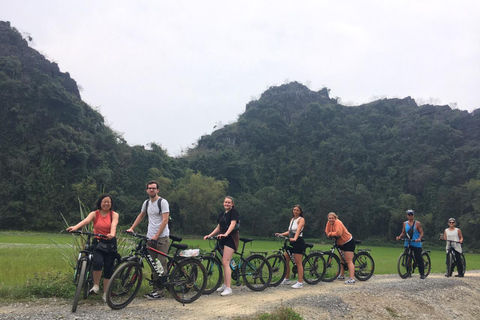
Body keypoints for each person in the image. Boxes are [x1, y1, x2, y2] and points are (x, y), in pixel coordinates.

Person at [66, 194, 119, 302]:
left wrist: (112, 234)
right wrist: (75, 227)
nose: (106, 204)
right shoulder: (95, 214)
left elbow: (114, 225)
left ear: (111, 204)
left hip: (110, 243)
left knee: (109, 268)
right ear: (100, 203)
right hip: (98, 242)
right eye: (104, 201)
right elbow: (85, 221)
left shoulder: (114, 214)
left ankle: (106, 293)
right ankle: (95, 286)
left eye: (108, 202)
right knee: (97, 262)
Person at [126, 181, 170, 300]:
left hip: (162, 237)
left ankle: (161, 291)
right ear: (146, 190)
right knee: (153, 263)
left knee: (160, 263)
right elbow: (141, 216)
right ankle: (156, 288)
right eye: (149, 188)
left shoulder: (163, 202)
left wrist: (156, 235)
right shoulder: (146, 203)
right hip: (150, 237)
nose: (151, 190)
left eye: (154, 188)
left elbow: (165, 220)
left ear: (158, 190)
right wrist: (132, 228)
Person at [204, 196, 240, 296]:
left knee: (225, 262)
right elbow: (219, 227)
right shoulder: (222, 214)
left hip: (231, 238)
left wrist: (226, 234)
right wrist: (209, 235)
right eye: (225, 202)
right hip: (222, 238)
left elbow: (233, 224)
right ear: (223, 203)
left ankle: (228, 288)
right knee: (225, 262)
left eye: (229, 202)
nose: (227, 204)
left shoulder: (234, 212)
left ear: (232, 204)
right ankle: (224, 285)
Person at [274, 205, 306, 289]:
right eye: (294, 210)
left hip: (298, 241)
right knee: (286, 259)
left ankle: (300, 283)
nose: (295, 211)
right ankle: (286, 279)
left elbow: (298, 229)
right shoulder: (292, 220)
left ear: (300, 212)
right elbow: (290, 231)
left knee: (298, 262)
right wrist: (281, 234)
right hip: (291, 241)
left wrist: (295, 238)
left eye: (297, 210)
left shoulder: (301, 219)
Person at [325, 212, 356, 284]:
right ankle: (342, 275)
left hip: (348, 242)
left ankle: (352, 278)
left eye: (332, 218)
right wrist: (329, 233)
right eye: (329, 218)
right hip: (339, 242)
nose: (331, 220)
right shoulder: (328, 223)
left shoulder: (338, 222)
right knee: (342, 260)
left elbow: (338, 233)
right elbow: (326, 231)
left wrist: (330, 234)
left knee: (349, 261)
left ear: (335, 218)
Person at [396, 209, 425, 279]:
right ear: (407, 215)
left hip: (416, 243)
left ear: (413, 215)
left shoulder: (417, 223)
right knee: (407, 257)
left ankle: (422, 273)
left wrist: (419, 238)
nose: (410, 216)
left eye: (411, 214)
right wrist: (399, 236)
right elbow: (403, 232)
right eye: (409, 214)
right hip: (408, 242)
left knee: (418, 258)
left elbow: (421, 232)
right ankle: (408, 272)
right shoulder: (405, 223)